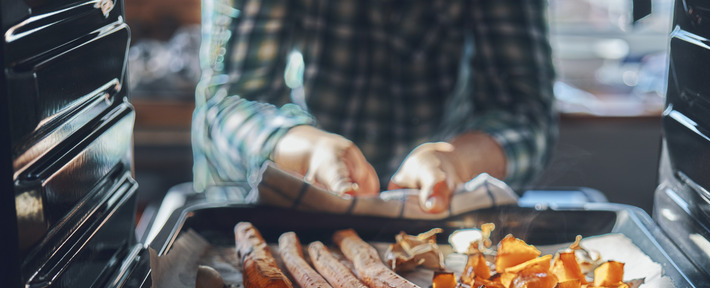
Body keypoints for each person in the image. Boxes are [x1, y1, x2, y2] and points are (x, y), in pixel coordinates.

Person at [192, 0, 557, 214]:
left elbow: (525, 112)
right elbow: (228, 102)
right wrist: (305, 148)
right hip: (276, 216)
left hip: (444, 218)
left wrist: (457, 162)